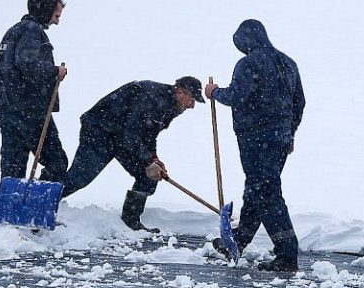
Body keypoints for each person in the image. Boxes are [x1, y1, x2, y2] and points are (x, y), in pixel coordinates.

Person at [205, 19, 305, 273]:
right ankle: (238, 241)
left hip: (256, 139)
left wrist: (214, 92)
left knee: (267, 193)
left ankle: (287, 254)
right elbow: (299, 103)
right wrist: (289, 133)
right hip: (279, 139)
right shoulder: (288, 63)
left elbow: (237, 96)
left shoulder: (248, 64)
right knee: (257, 190)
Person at [61, 77, 205, 232]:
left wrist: (154, 159)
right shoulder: (151, 97)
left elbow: (149, 135)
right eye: (192, 100)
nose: (192, 106)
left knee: (149, 175)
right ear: (180, 92)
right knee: (80, 177)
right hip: (100, 130)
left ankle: (131, 221)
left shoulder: (172, 107)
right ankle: (45, 201)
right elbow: (128, 134)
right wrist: (148, 160)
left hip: (121, 136)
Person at [0, 0, 69, 183]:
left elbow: (9, 69)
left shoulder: (14, 30)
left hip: (8, 109)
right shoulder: (32, 31)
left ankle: (12, 201)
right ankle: (38, 198)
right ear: (46, 10)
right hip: (29, 108)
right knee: (56, 162)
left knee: (12, 167)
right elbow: (27, 64)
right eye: (56, 16)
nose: (56, 21)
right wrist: (54, 71)